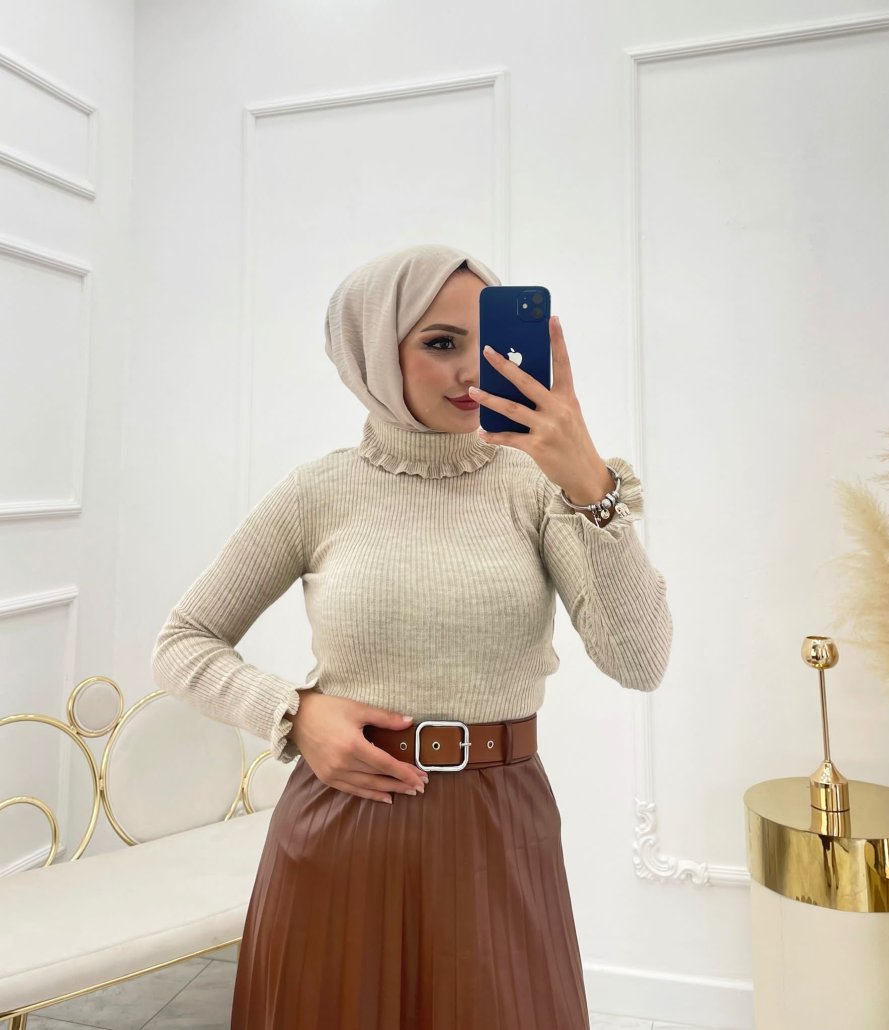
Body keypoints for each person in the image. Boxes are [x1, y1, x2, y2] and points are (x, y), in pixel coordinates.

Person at [150, 243, 673, 1030]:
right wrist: (296, 713)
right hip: (341, 824)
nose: (472, 370)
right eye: (440, 342)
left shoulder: (539, 488)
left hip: (499, 827)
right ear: (372, 350)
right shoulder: (317, 492)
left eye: (487, 342)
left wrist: (588, 482)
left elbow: (640, 660)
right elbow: (183, 641)